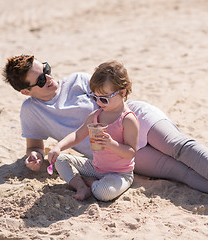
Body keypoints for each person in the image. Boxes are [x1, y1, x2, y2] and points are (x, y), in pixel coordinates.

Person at [3, 54, 208, 212]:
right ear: (26, 92)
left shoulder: (78, 80)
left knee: (180, 147)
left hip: (135, 120)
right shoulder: (31, 112)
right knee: (178, 172)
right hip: (116, 152)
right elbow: (34, 146)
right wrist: (35, 157)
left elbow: (116, 100)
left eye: (46, 70)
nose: (50, 79)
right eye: (40, 80)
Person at [47, 60, 139, 201]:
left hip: (120, 173)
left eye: (104, 99)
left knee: (103, 193)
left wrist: (111, 144)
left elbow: (131, 152)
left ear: (122, 92)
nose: (99, 103)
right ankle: (81, 186)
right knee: (60, 160)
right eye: (95, 97)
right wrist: (58, 147)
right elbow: (78, 135)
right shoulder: (96, 116)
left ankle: (90, 183)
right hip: (95, 167)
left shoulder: (127, 119)